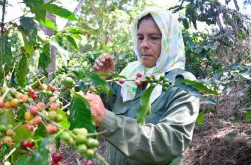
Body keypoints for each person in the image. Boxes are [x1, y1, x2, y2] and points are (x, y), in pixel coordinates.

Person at [84, 7, 200, 165]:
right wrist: (101, 82)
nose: (143, 45)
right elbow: (102, 111)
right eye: (140, 37)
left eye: (153, 38)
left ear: (169, 40)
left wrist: (107, 120)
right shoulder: (129, 76)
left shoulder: (181, 84)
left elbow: (169, 143)